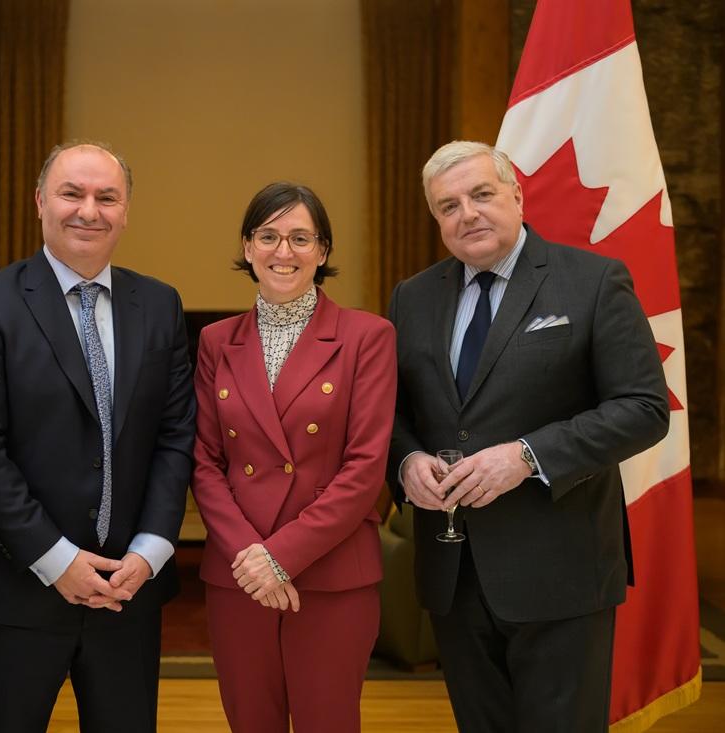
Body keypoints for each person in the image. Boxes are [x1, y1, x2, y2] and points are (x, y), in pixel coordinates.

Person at [388, 140, 670, 732]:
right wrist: (407, 460)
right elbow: (393, 414)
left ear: (517, 196)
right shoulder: (412, 297)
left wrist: (527, 456)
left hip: (561, 570)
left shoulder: (592, 281)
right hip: (453, 572)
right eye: (448, 206)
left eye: (481, 195)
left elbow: (643, 408)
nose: (467, 214)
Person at [0, 141, 196, 733]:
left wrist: (150, 552)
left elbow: (175, 435)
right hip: (18, 594)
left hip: (129, 593)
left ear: (126, 211)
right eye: (71, 193)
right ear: (39, 202)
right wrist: (56, 559)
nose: (89, 210)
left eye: (107, 197)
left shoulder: (159, 304)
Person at [191, 182, 396, 732]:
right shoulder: (216, 341)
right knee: (250, 722)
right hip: (240, 573)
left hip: (331, 571)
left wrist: (280, 556)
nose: (284, 251)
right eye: (269, 236)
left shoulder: (367, 336)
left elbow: (365, 467)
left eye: (301, 238)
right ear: (248, 247)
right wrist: (252, 557)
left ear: (323, 251)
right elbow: (205, 462)